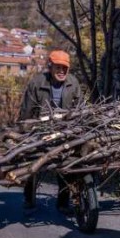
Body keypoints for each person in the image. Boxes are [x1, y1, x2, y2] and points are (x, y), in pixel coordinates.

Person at [19, 49, 83, 213]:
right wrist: (23, 131)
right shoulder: (37, 83)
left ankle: (63, 203)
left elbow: (80, 108)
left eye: (64, 68)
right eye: (58, 67)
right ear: (50, 66)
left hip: (66, 129)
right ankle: (29, 197)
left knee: (67, 163)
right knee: (32, 160)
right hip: (40, 129)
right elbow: (27, 110)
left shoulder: (73, 83)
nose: (61, 71)